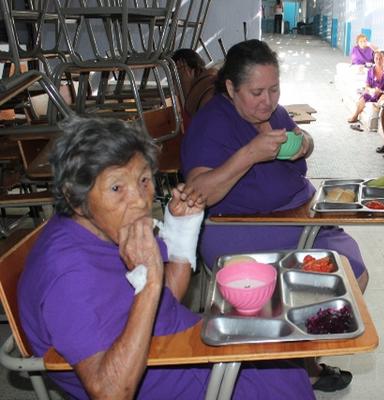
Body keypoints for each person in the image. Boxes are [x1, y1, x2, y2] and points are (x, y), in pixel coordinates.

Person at [17, 116, 315, 400]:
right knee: (281, 381)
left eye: (144, 180)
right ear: (75, 197)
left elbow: (167, 298)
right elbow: (110, 392)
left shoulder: (107, 229)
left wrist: (181, 231)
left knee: (285, 365)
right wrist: (148, 285)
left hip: (171, 347)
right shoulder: (69, 276)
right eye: (117, 187)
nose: (139, 200)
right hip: (165, 379)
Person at [181, 39, 364, 392]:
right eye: (257, 92)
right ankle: (298, 369)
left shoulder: (269, 113)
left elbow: (299, 137)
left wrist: (304, 143)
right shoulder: (212, 123)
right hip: (242, 228)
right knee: (334, 278)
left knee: (353, 272)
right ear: (231, 88)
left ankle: (302, 360)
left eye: (275, 89)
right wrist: (249, 154)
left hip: (296, 217)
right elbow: (198, 193)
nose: (268, 100)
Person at [171, 48, 218, 130]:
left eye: (177, 76)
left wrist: (188, 91)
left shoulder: (209, 89)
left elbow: (196, 129)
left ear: (189, 71)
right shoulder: (210, 80)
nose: (174, 82)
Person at [347, 50, 384, 124]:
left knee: (383, 97)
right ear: (374, 59)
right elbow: (367, 86)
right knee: (364, 97)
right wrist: (372, 90)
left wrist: (380, 92)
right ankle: (355, 116)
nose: (378, 60)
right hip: (373, 93)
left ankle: (378, 109)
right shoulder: (370, 71)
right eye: (376, 58)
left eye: (381, 58)